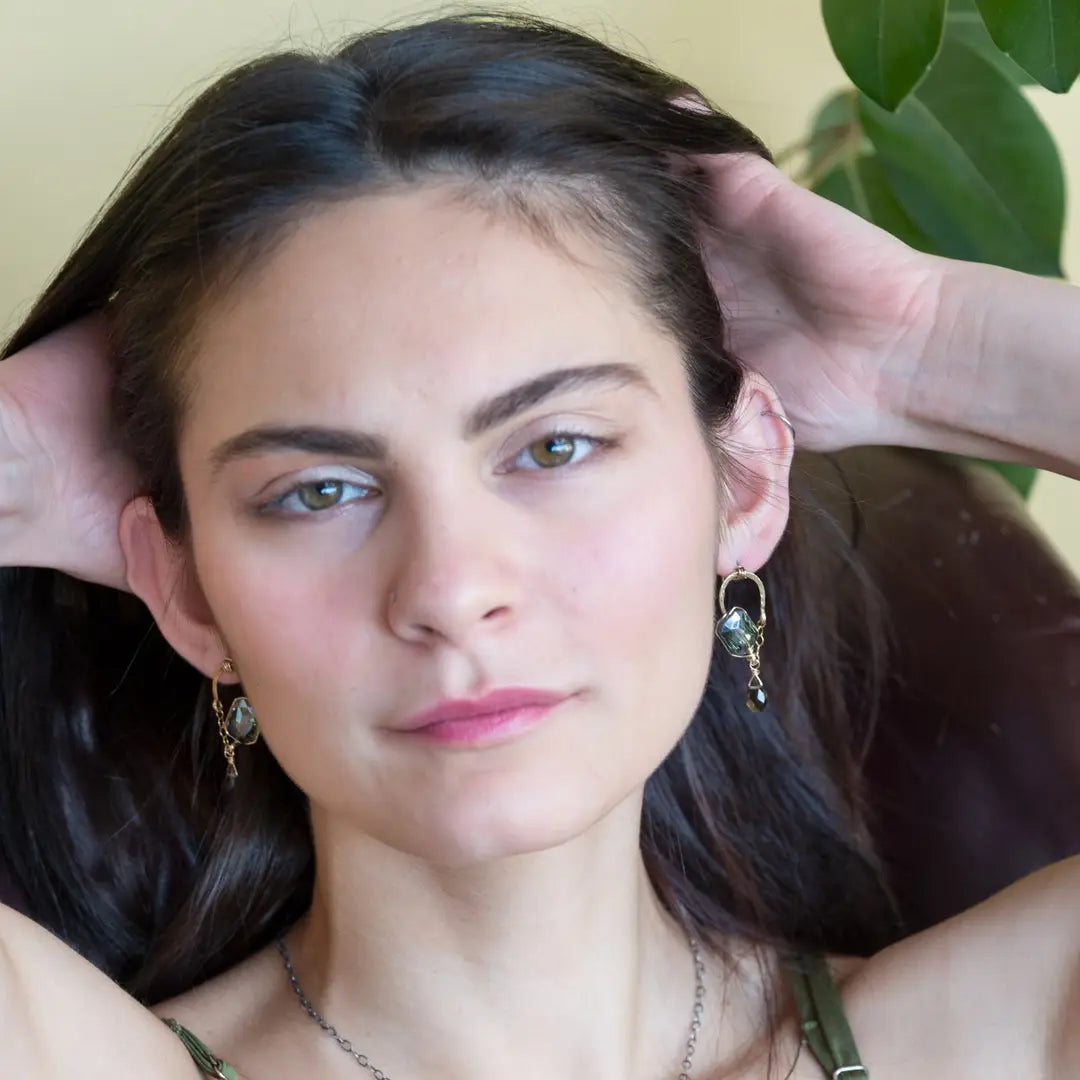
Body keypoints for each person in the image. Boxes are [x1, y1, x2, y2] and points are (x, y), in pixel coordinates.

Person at [0, 9, 1077, 1079]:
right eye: (319, 489)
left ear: (742, 480)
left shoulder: (995, 1040)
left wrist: (919, 344)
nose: (454, 587)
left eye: (555, 447)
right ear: (188, 593)